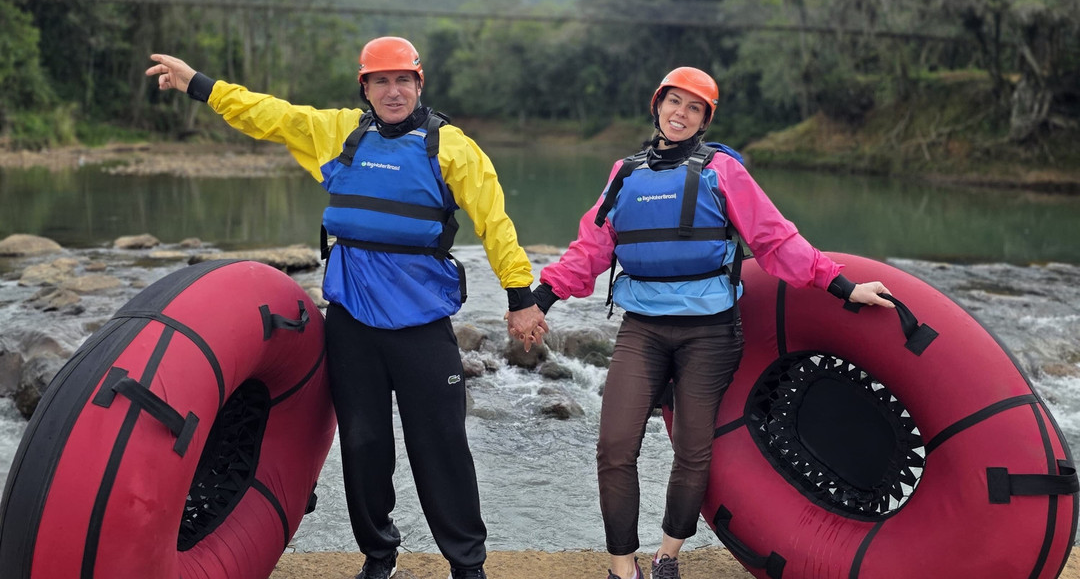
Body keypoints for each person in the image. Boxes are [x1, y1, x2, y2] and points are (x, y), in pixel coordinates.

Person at [147, 37, 546, 579]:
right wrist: (199, 84)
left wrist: (520, 297)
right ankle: (379, 556)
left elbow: (494, 223)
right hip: (352, 324)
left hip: (422, 326)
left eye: (403, 80)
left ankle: (466, 565)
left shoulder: (452, 148)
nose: (393, 90)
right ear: (365, 87)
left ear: (419, 84)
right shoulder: (340, 134)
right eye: (380, 81)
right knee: (362, 444)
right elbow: (269, 114)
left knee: (443, 447)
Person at [505, 66, 894, 579]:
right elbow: (589, 252)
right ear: (657, 105)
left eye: (694, 108)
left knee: (692, 448)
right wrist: (540, 301)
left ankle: (668, 556)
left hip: (709, 332)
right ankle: (623, 568)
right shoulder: (624, 174)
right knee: (615, 446)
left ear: (705, 119)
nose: (681, 114)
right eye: (674, 102)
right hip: (642, 328)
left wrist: (843, 285)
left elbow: (776, 241)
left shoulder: (723, 171)